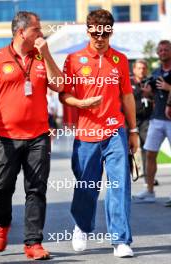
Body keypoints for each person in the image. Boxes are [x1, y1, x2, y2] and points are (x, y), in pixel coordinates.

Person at [60, 9, 138, 258]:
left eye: (105, 33)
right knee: (87, 186)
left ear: (110, 32)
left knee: (119, 186)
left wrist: (133, 130)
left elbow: (127, 96)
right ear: (89, 31)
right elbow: (63, 93)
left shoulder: (121, 60)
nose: (100, 38)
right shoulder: (73, 59)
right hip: (86, 134)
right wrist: (80, 104)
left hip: (116, 131)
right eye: (95, 33)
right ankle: (82, 227)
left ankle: (121, 240)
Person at [0, 11, 63, 260]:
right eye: (36, 29)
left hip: (38, 136)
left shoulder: (41, 57)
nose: (41, 33)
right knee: (0, 188)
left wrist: (46, 54)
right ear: (21, 31)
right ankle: (1, 224)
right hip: (4, 137)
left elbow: (60, 84)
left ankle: (33, 243)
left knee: (36, 189)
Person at [134, 40, 171, 203]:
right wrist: (148, 93)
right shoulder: (155, 72)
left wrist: (169, 88)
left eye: (166, 50)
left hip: (170, 119)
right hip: (156, 119)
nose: (162, 52)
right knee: (149, 154)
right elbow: (154, 96)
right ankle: (149, 191)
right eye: (160, 50)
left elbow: (167, 90)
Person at [130, 59, 153, 179]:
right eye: (139, 68)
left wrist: (150, 94)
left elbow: (158, 99)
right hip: (130, 119)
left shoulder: (150, 82)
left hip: (146, 119)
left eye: (144, 68)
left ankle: (148, 175)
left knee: (147, 146)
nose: (141, 70)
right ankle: (131, 170)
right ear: (134, 70)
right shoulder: (128, 82)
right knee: (129, 146)